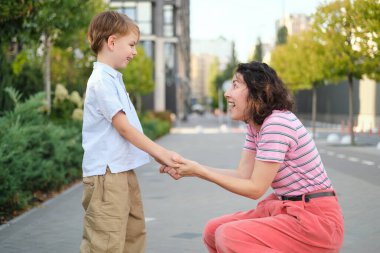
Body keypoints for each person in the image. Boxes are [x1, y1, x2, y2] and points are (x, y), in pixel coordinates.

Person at [162, 61, 344, 253]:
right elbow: (243, 175)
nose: (227, 93)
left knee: (229, 236)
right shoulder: (255, 125)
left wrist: (201, 172)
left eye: (236, 85)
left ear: (258, 90)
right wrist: (195, 169)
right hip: (289, 209)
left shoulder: (277, 123)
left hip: (316, 220)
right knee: (212, 230)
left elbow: (255, 188)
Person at [80, 11, 180, 253]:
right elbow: (123, 127)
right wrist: (160, 152)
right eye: (132, 45)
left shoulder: (113, 79)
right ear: (112, 42)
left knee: (133, 236)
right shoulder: (100, 81)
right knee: (106, 243)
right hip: (107, 175)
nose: (135, 52)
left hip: (122, 170)